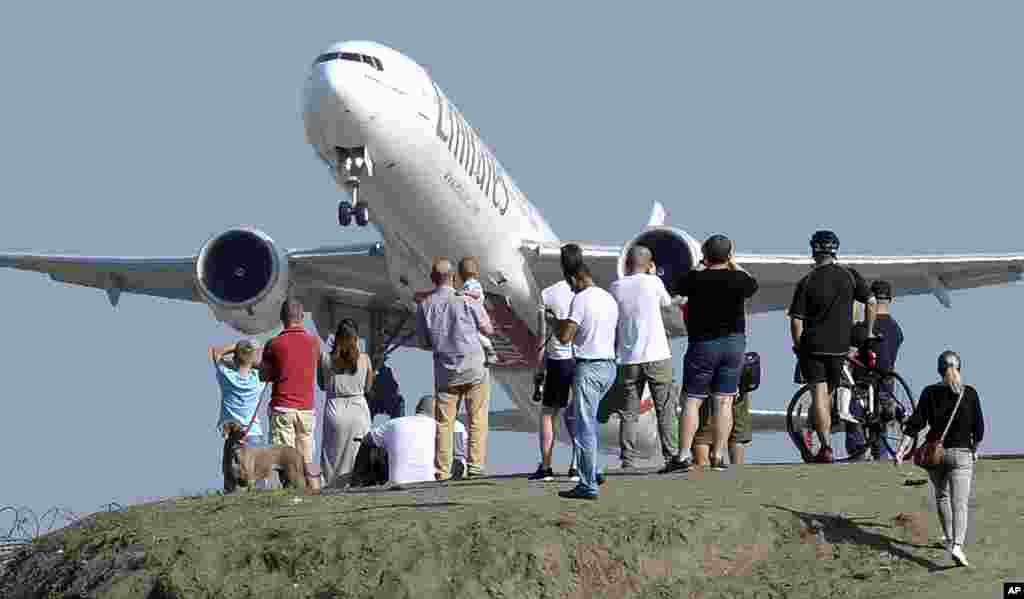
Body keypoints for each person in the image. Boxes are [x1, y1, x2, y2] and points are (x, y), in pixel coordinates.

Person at [669, 234, 758, 472]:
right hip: (733, 344)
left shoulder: (695, 279)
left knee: (692, 401)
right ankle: (718, 456)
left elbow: (679, 286)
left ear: (705, 255)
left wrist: (701, 265)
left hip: (703, 344)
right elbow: (752, 283)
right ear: (728, 256)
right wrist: (733, 262)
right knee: (724, 402)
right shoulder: (739, 279)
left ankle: (683, 455)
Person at [788, 230, 877, 464]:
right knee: (829, 392)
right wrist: (867, 333)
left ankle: (826, 447)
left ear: (814, 251)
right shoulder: (849, 275)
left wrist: (798, 346)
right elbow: (871, 301)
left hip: (813, 346)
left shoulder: (806, 281)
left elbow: (796, 320)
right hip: (840, 346)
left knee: (819, 395)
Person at [895, 350, 984, 568]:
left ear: (938, 370)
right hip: (962, 455)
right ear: (960, 368)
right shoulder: (969, 393)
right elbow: (979, 428)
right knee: (960, 503)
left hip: (936, 455)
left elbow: (915, 425)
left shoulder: (929, 392)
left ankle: (947, 537)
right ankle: (957, 545)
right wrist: (974, 447)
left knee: (942, 497)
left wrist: (901, 450)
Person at [416, 257, 494, 480]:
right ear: (454, 277)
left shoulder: (425, 305)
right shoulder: (466, 300)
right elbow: (488, 329)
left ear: (433, 279)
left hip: (445, 372)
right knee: (477, 418)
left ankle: (442, 471)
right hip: (474, 368)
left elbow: (423, 343)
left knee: (444, 423)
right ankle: (476, 466)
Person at [609, 244, 678, 473]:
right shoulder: (654, 282)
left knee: (628, 413)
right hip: (657, 355)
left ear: (627, 264)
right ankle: (671, 457)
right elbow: (667, 304)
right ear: (650, 265)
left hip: (628, 359)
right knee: (665, 409)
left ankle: (627, 459)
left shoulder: (615, 287)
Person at [555, 262, 619, 500]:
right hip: (609, 367)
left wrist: (554, 321)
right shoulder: (608, 298)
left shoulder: (581, 299)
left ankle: (587, 484)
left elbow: (564, 337)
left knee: (584, 427)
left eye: (570, 283)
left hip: (589, 367)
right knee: (576, 416)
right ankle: (594, 469)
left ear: (575, 279)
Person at [529, 243, 581, 481]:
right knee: (579, 413)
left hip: (558, 361)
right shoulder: (586, 293)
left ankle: (547, 467)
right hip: (580, 359)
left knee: (549, 414)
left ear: (561, 265)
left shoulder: (548, 294)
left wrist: (539, 370)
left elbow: (542, 339)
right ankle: (576, 466)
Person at [259, 297, 322, 491]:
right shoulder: (314, 342)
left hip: (283, 407)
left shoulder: (274, 344)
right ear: (302, 317)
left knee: (285, 458)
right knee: (307, 457)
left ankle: (291, 492)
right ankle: (314, 490)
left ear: (281, 318)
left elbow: (264, 376)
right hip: (306, 409)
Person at [317, 318, 374, 488]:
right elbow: (368, 387)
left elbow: (321, 385)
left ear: (336, 337)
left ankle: (330, 489)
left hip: (335, 409)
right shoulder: (365, 359)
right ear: (356, 338)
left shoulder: (325, 358)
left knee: (332, 459)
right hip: (358, 410)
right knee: (357, 457)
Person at [211, 340, 269, 489]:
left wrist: (236, 347)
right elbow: (265, 366)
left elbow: (216, 352)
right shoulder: (258, 380)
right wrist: (252, 352)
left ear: (235, 359)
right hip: (254, 433)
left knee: (230, 478)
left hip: (232, 435)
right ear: (252, 359)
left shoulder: (226, 376)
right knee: (258, 479)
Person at [367, 395, 439, 486]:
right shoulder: (439, 428)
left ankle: (363, 480)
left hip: (398, 483)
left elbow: (367, 439)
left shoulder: (394, 423)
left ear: (417, 408)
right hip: (429, 482)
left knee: (379, 445)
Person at [456, 256, 500, 366]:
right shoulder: (470, 283)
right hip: (474, 313)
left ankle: (490, 353)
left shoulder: (471, 283)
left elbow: (477, 294)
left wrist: (464, 293)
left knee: (472, 333)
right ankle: (490, 354)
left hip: (476, 313)